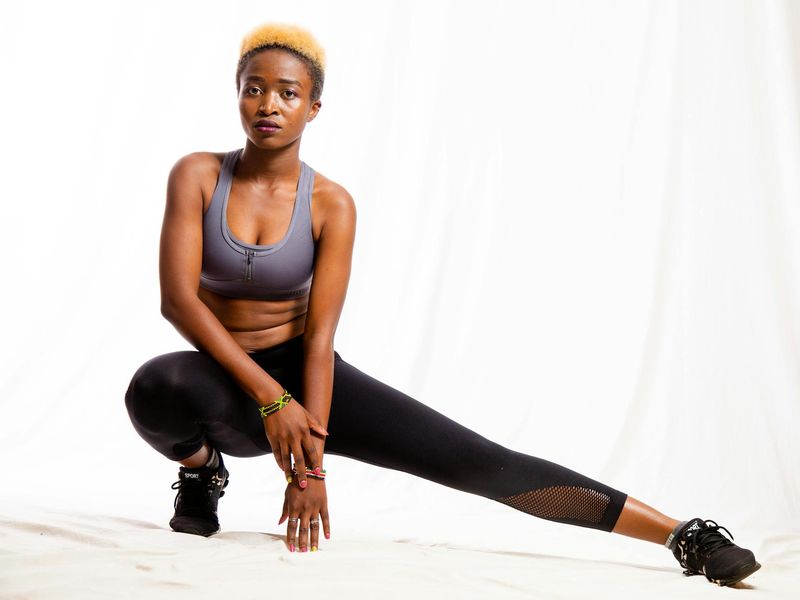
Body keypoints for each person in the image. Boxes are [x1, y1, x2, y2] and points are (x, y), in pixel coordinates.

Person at [124, 22, 760, 587]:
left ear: (314, 107)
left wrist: (309, 469)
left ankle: (684, 535)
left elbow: (318, 342)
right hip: (226, 382)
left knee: (482, 463)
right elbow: (179, 302)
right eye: (253, 88)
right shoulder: (198, 174)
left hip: (309, 379)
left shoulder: (331, 204)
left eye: (288, 92)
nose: (269, 104)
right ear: (237, 95)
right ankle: (205, 473)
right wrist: (271, 400)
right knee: (156, 386)